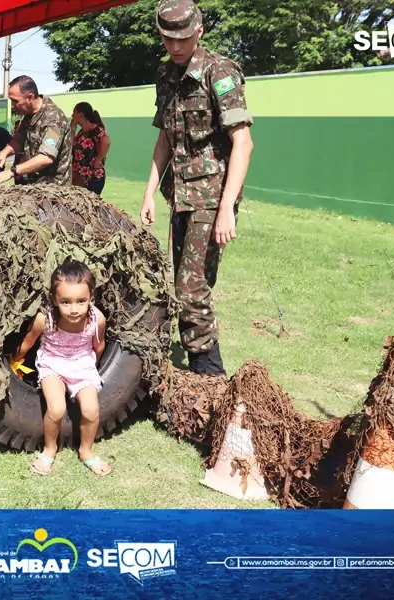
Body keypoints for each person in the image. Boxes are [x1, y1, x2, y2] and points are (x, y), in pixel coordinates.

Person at [140, 0, 254, 376]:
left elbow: (243, 143)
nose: (175, 47)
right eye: (168, 39)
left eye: (183, 39)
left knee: (191, 289)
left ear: (199, 32)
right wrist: (149, 192)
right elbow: (165, 140)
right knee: (185, 286)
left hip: (211, 198)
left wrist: (226, 209)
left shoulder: (219, 72)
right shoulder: (165, 75)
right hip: (180, 197)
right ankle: (197, 365)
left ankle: (210, 374)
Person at [10, 260, 111, 477]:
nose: (74, 309)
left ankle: (86, 451)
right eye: (66, 302)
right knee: (56, 409)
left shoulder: (97, 319)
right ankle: (50, 450)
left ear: (91, 297)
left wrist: (92, 368)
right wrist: (14, 360)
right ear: (55, 299)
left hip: (82, 364)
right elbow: (28, 343)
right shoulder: (44, 319)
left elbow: (98, 345)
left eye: (81, 301)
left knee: (91, 410)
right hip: (52, 364)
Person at [0, 76, 71, 186]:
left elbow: (46, 158)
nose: (12, 106)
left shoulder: (54, 120)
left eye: (15, 101)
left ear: (30, 97)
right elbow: (18, 140)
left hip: (53, 191)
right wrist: (3, 154)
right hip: (34, 186)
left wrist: (10, 172)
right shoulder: (28, 115)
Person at [70, 102, 110, 196]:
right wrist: (72, 129)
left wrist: (98, 160)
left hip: (92, 177)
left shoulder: (95, 130)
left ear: (80, 114)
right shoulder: (81, 132)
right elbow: (71, 146)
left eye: (74, 113)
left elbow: (106, 142)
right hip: (80, 178)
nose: (72, 115)